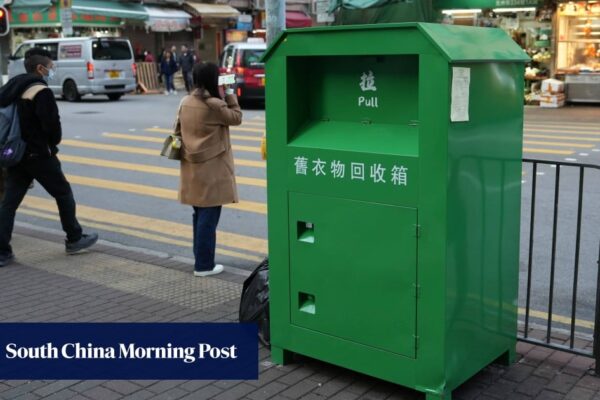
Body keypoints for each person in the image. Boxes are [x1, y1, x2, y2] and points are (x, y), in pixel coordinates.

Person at [0, 48, 98, 267]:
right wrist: (53, 143)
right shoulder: (40, 91)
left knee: (8, 203)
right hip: (39, 155)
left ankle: (2, 252)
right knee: (63, 193)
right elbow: (51, 126)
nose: (52, 70)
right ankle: (74, 238)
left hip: (15, 154)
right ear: (40, 68)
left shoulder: (12, 87)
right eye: (50, 67)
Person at [176, 62, 242, 277]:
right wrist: (230, 92)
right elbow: (237, 117)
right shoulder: (215, 105)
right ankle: (204, 265)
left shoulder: (185, 102)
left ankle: (200, 257)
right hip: (212, 170)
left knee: (199, 214)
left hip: (191, 168)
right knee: (209, 216)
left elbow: (176, 131)